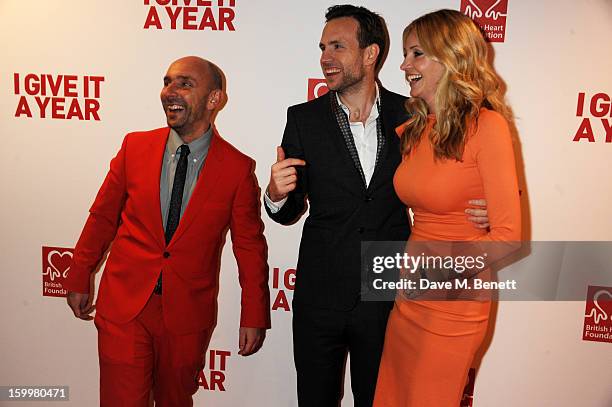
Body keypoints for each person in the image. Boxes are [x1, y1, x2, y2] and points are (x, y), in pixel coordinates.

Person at [265, 6, 489, 406]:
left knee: (381, 399)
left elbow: (455, 169)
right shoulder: (303, 119)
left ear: (370, 55)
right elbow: (289, 207)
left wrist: (485, 208)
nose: (325, 57)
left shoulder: (415, 112)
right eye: (322, 47)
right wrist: (276, 195)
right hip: (321, 291)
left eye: (338, 46)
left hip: (387, 291)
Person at [64, 56, 270, 406]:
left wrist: (254, 314)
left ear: (214, 99)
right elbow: (102, 217)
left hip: (187, 315)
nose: (169, 92)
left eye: (185, 84)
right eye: (167, 81)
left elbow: (249, 248)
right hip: (125, 306)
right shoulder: (134, 148)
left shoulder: (237, 169)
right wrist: (79, 272)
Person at [373, 9, 521, 406]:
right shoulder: (416, 128)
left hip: (454, 304)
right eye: (406, 54)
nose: (404, 65)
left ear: (451, 57)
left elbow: (508, 237)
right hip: (409, 297)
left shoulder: (487, 127)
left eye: (416, 54)